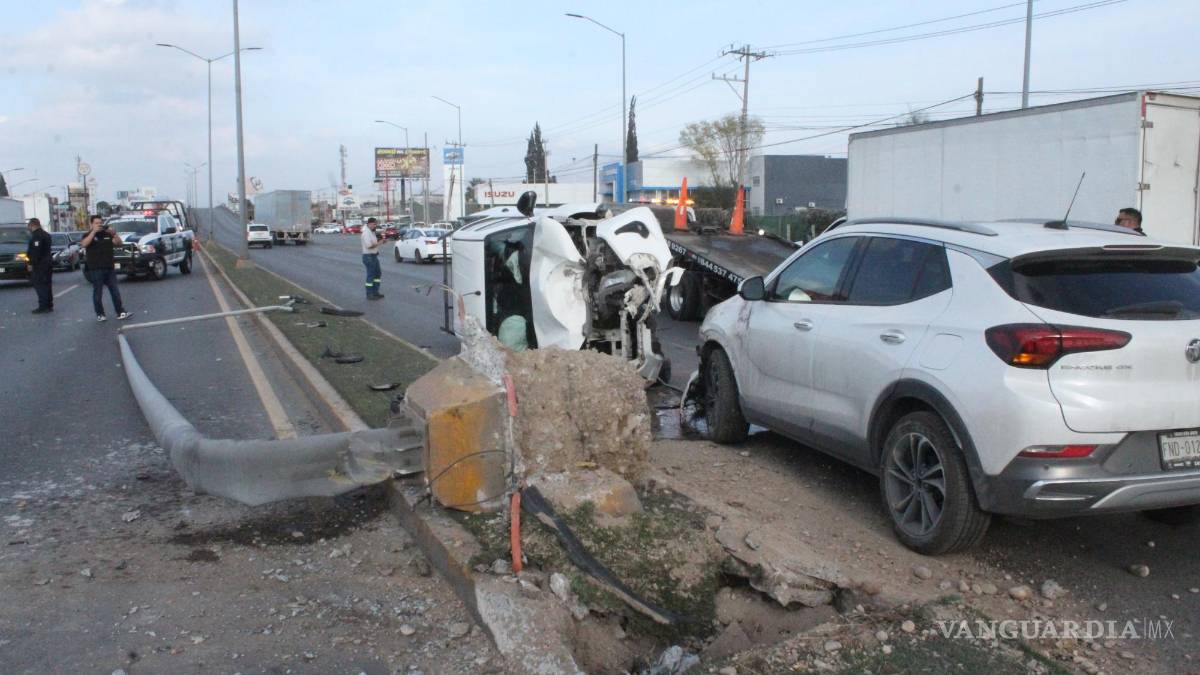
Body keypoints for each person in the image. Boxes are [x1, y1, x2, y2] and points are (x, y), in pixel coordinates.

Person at [80, 214, 130, 322]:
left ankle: (120, 311)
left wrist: (114, 234)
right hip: (96, 268)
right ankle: (100, 314)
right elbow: (84, 244)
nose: (99, 225)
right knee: (98, 292)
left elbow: (119, 244)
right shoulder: (87, 235)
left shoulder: (107, 234)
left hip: (109, 267)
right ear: (91, 224)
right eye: (96, 223)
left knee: (115, 291)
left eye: (100, 223)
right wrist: (93, 232)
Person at [26, 217, 53, 314]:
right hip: (48, 263)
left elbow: (35, 252)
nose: (28, 228)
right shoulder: (46, 234)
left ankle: (43, 306)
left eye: (29, 226)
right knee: (47, 284)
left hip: (40, 264)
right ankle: (49, 305)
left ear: (32, 225)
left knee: (39, 284)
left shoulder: (36, 236)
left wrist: (30, 263)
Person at [361, 217, 384, 300]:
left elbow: (374, 242)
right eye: (374, 224)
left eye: (376, 224)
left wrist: (381, 241)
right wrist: (379, 243)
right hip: (368, 256)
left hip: (374, 256)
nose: (375, 226)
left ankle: (375, 292)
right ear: (369, 224)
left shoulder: (372, 232)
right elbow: (369, 246)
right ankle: (369, 294)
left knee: (378, 273)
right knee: (371, 275)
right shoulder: (366, 233)